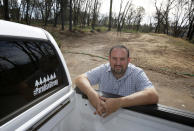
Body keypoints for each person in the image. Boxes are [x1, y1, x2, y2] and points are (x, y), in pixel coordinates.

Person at [75, 45, 159, 118]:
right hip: (103, 118)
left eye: (122, 59)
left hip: (128, 119)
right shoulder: (103, 69)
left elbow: (153, 95)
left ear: (128, 60)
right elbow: (80, 79)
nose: (118, 63)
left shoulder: (137, 73)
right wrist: (91, 93)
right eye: (114, 58)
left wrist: (119, 102)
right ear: (109, 59)